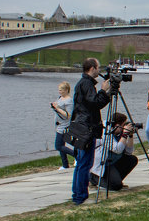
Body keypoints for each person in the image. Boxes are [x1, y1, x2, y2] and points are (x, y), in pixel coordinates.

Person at [70, 58, 112, 205]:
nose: (99, 70)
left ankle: (78, 194)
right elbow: (94, 103)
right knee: (84, 163)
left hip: (82, 127)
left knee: (81, 163)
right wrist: (104, 91)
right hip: (87, 128)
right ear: (92, 68)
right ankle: (80, 196)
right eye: (98, 67)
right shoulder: (87, 84)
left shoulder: (83, 83)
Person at [89, 112, 139, 191]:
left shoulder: (120, 132)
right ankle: (93, 178)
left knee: (132, 159)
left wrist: (130, 135)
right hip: (104, 163)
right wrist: (125, 134)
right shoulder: (105, 132)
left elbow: (128, 152)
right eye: (123, 126)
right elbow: (117, 150)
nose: (124, 128)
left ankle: (116, 180)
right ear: (117, 126)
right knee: (116, 186)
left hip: (112, 161)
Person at [50, 81, 73, 170]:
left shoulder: (69, 101)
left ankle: (76, 155)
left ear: (66, 90)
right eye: (59, 90)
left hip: (64, 126)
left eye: (61, 90)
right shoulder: (61, 98)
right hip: (58, 125)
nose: (59, 92)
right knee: (61, 145)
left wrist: (57, 108)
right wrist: (54, 106)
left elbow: (68, 115)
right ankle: (65, 165)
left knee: (58, 146)